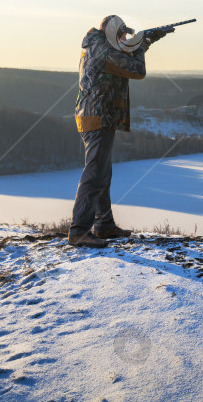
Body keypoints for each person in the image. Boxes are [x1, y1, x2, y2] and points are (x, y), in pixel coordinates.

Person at [68, 15, 168, 247]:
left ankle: (103, 224)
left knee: (102, 171)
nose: (125, 38)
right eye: (122, 34)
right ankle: (79, 230)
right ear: (112, 34)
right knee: (94, 173)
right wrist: (142, 44)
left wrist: (145, 41)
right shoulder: (104, 51)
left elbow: (123, 58)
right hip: (98, 117)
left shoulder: (97, 45)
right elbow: (137, 70)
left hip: (95, 116)